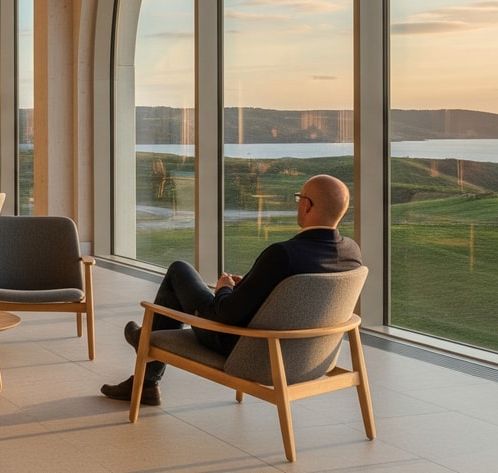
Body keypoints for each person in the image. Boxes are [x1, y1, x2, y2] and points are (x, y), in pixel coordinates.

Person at [99, 173, 363, 406]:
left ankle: (146, 351)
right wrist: (251, 283)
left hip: (240, 345)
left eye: (299, 198)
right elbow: (297, 296)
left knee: (179, 270)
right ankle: (146, 377)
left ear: (306, 205)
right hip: (310, 357)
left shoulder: (284, 255)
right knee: (190, 278)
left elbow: (226, 314)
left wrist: (224, 289)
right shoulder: (352, 253)